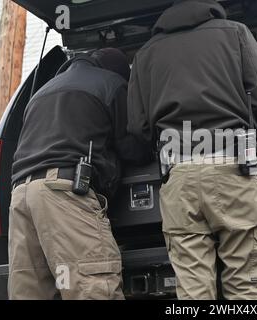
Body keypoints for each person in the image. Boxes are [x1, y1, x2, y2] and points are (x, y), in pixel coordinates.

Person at [128, 0, 257, 299]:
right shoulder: (236, 33)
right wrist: (243, 130)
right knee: (245, 285)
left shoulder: (145, 54)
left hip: (178, 176)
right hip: (233, 168)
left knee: (193, 290)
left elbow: (138, 127)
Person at [9, 48, 151, 300]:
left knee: (30, 292)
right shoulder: (112, 84)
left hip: (20, 197)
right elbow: (132, 147)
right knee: (93, 287)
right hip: (63, 192)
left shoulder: (42, 91)